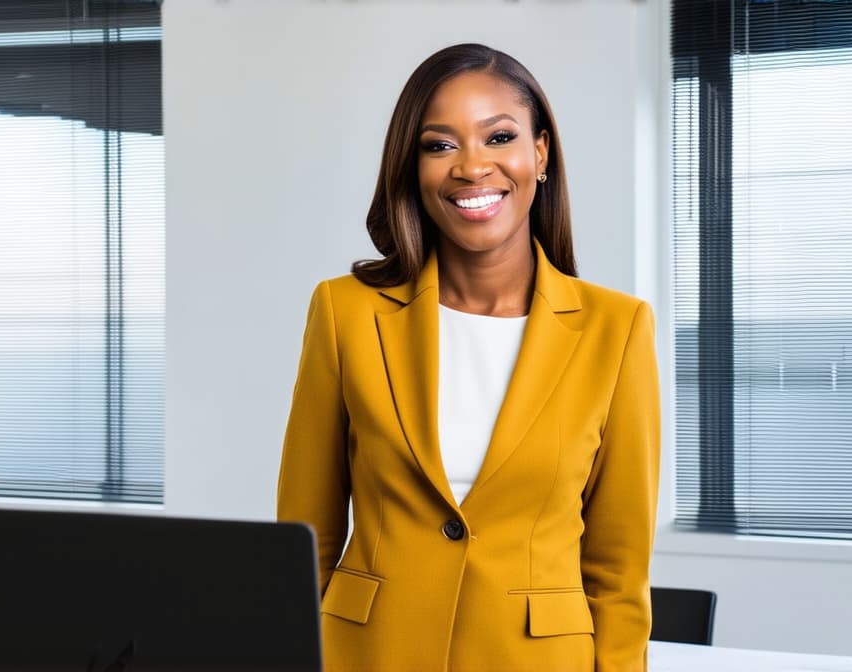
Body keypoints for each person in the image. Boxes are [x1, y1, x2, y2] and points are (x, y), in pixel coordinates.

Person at [278, 43, 660, 672]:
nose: (471, 167)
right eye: (440, 145)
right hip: (367, 655)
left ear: (539, 154)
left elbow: (618, 574)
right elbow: (304, 537)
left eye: (499, 137)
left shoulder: (616, 330)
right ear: (413, 166)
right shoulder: (344, 312)